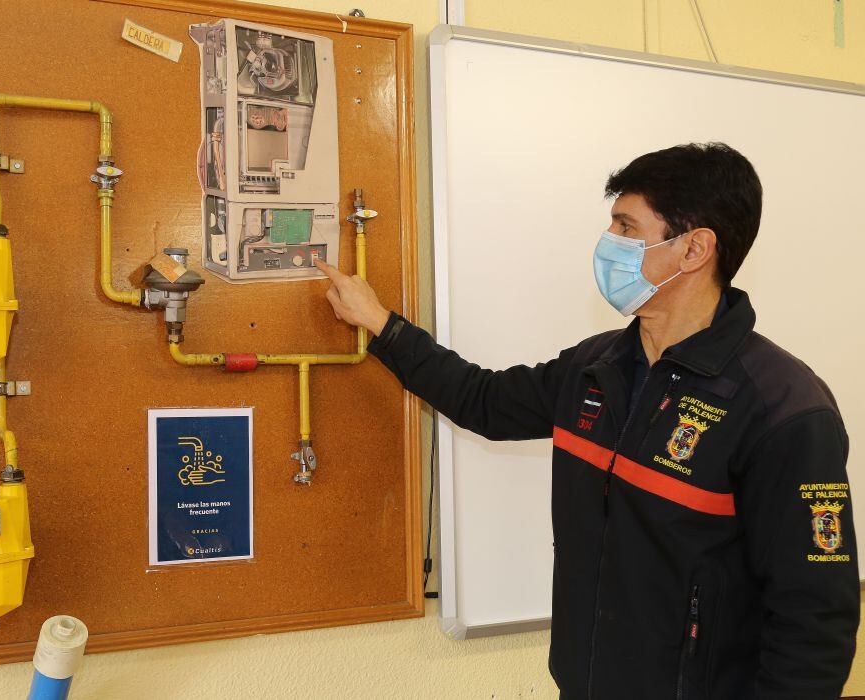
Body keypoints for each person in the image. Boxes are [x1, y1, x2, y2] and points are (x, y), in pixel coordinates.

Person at [315, 143, 859, 699]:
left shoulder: (783, 409)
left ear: (694, 249)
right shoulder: (596, 368)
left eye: (627, 228)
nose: (609, 246)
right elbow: (484, 401)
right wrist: (382, 325)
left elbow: (815, 619)